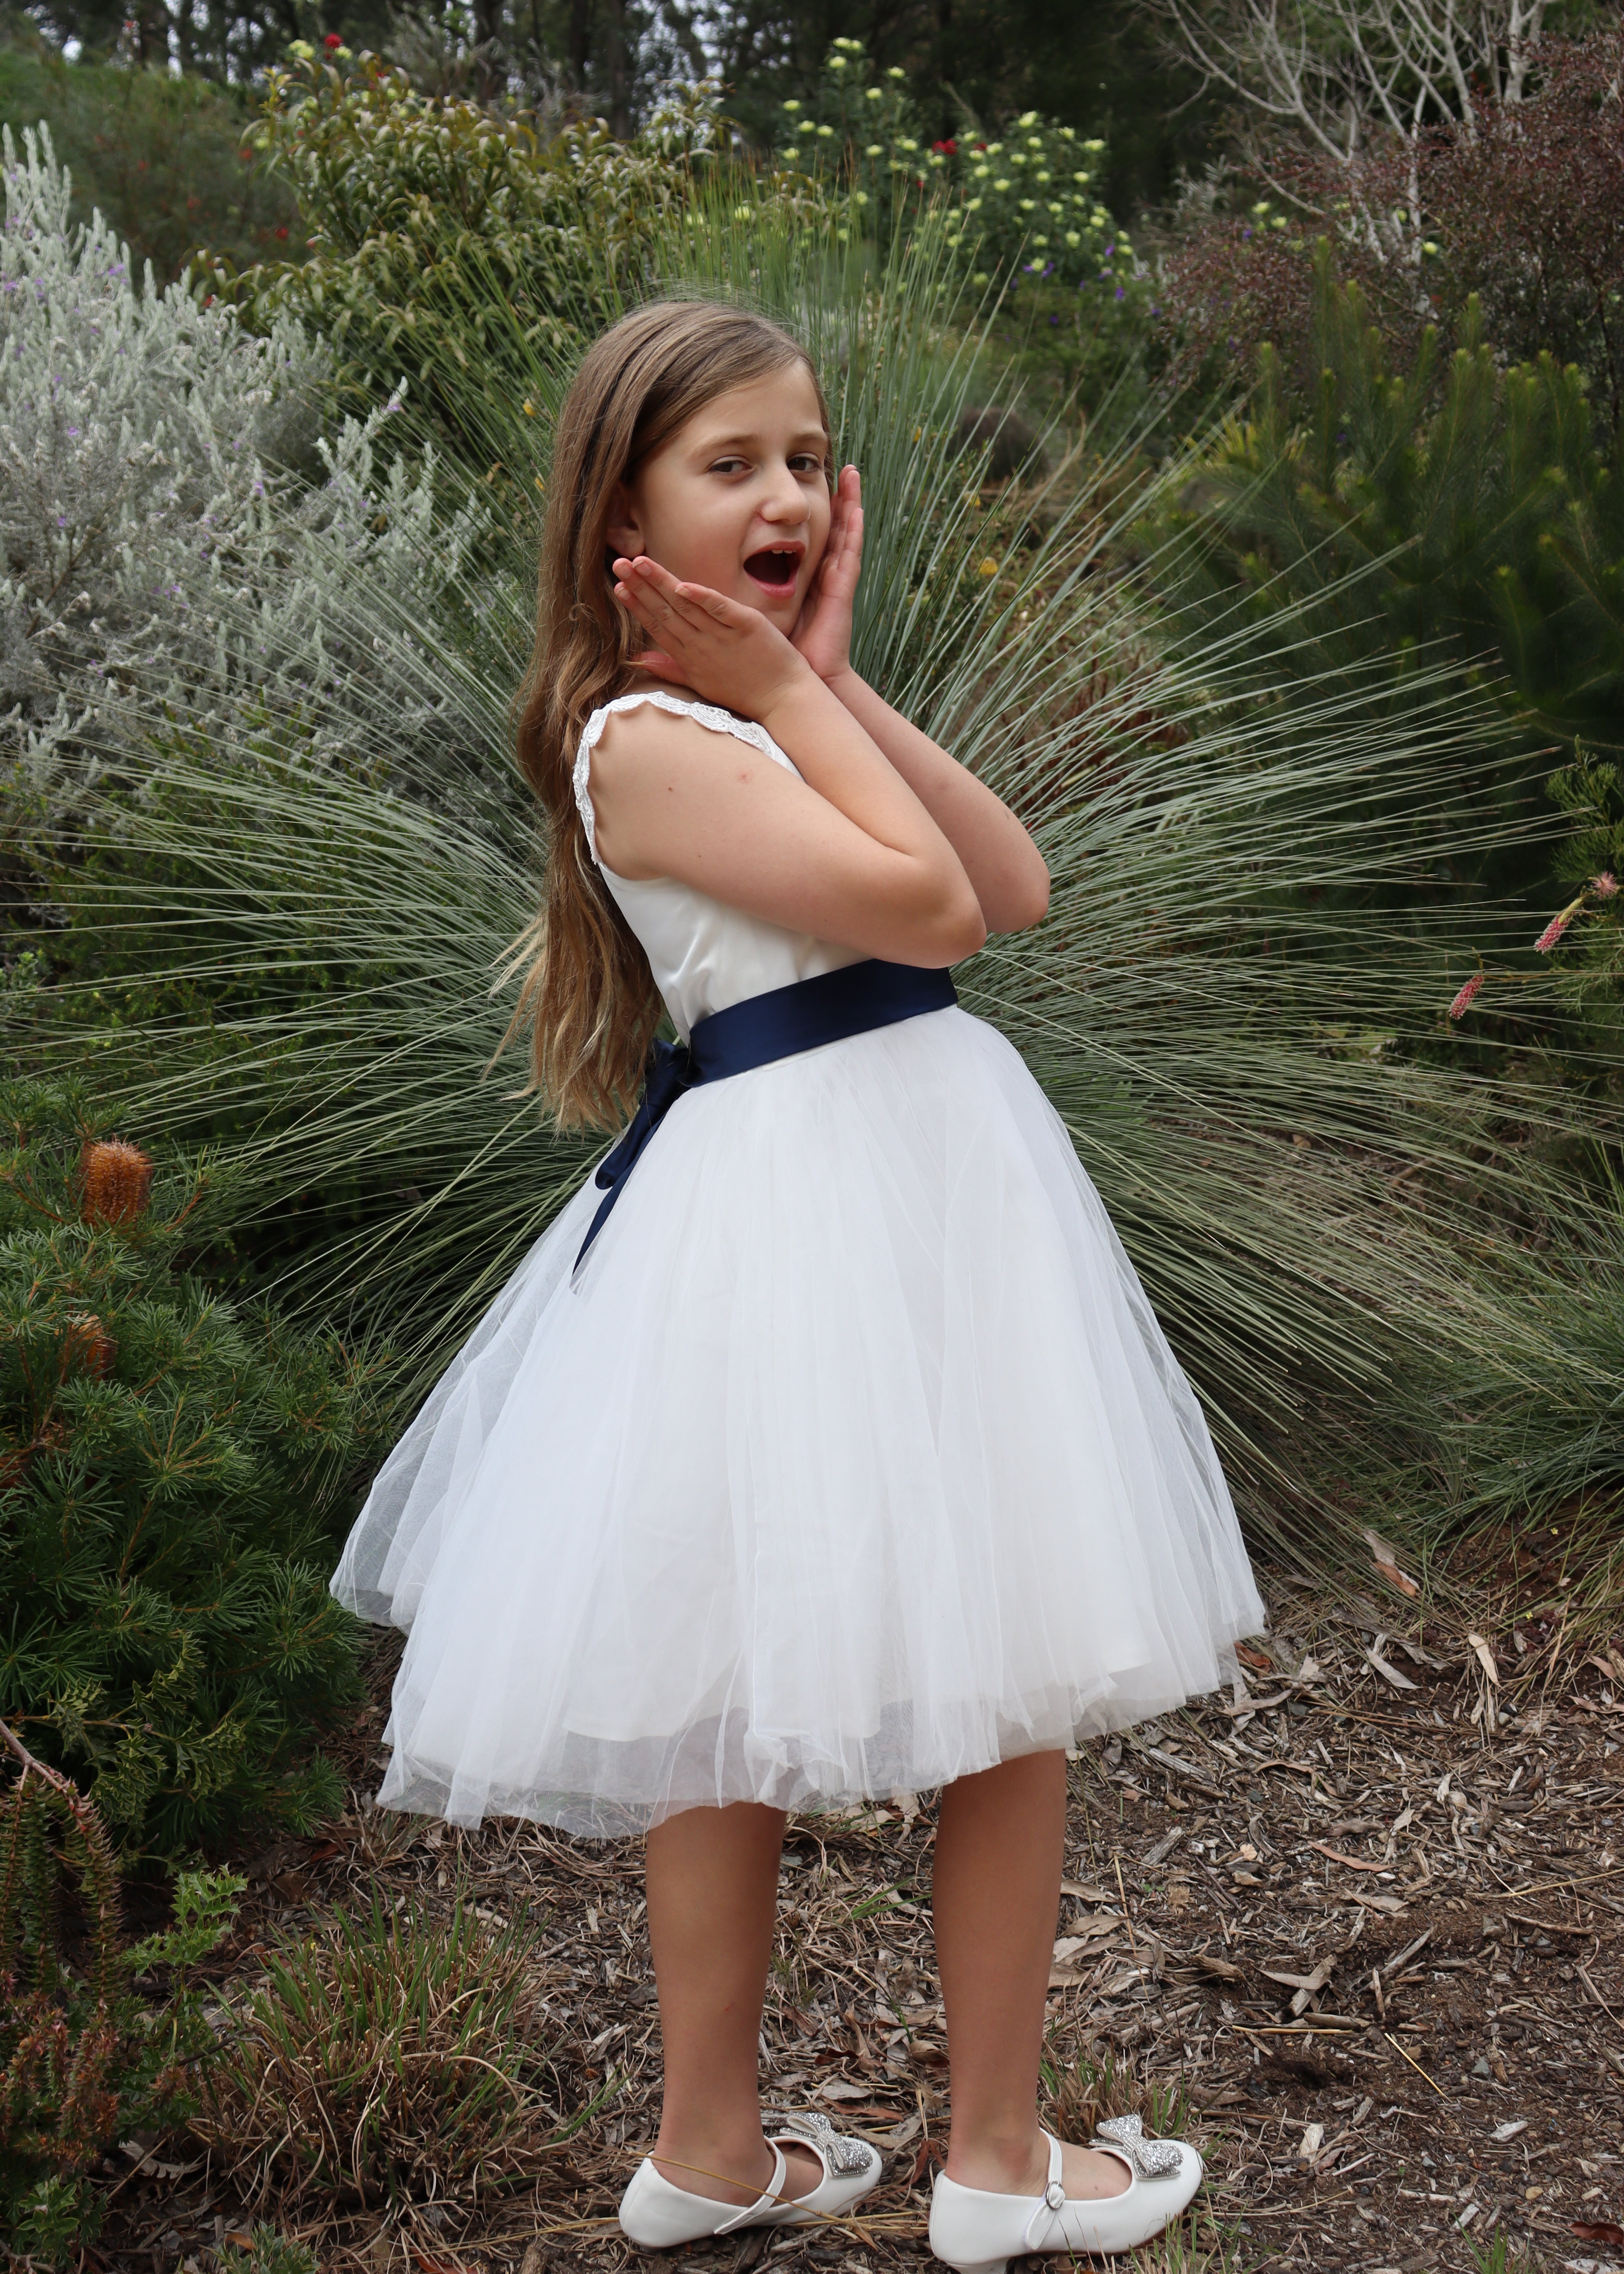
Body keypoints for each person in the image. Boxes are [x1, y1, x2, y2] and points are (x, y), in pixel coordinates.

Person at [332, 298, 1265, 2270]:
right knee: (761, 1687)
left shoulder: (748, 711)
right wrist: (783, 694)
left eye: (809, 458)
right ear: (624, 512)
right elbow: (930, 911)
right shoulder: (646, 739)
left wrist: (820, 678)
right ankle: (947, 2157)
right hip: (809, 1214)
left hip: (907, 1193)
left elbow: (1010, 887)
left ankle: (774, 2151)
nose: (788, 490)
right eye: (732, 460)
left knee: (966, 1655)